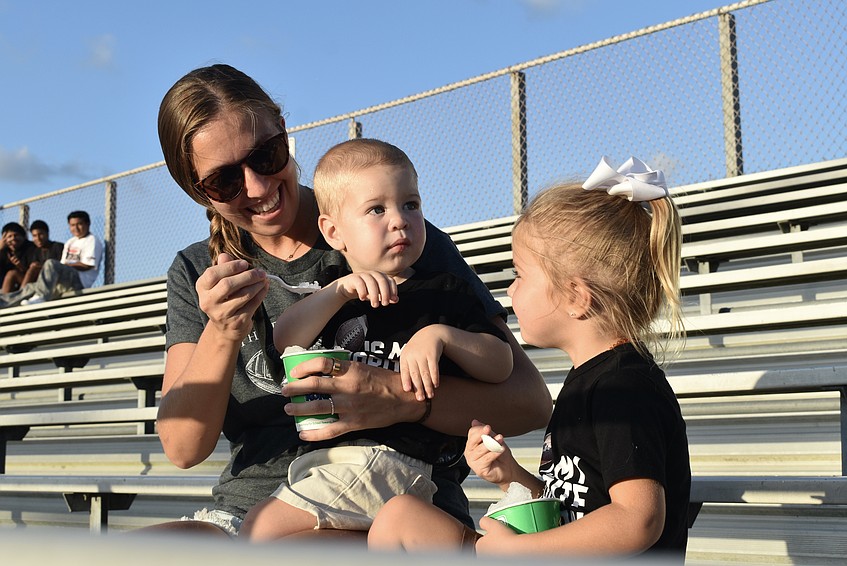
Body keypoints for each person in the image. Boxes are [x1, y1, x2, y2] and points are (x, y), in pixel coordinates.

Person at [148, 64, 551, 539]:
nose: (256, 186)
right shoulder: (197, 271)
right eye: (224, 182)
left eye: (267, 154)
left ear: (284, 130)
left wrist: (397, 399)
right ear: (196, 191)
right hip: (246, 509)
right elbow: (182, 447)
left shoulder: (389, 234)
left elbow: (528, 402)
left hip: (389, 502)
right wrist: (223, 330)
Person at [368, 156, 692, 560]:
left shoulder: (625, 389)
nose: (511, 289)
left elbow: (636, 520)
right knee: (401, 518)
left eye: (520, 274)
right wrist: (511, 476)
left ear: (575, 297)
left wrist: (523, 550)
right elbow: (577, 510)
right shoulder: (588, 378)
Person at [238, 139, 513, 540]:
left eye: (411, 205)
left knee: (259, 531)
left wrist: (443, 337)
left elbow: (501, 363)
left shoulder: (446, 291)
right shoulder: (335, 295)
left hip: (396, 460)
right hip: (333, 463)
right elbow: (283, 340)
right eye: (376, 210)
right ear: (333, 232)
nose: (399, 220)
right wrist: (337, 292)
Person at [0, 211, 103, 307]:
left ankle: (41, 296)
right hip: (63, 282)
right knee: (30, 287)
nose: (75, 228)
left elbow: (87, 265)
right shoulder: (70, 242)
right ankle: (3, 302)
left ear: (88, 224)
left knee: (50, 263)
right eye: (72, 225)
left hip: (80, 281)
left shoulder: (92, 240)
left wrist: (61, 266)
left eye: (79, 224)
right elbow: (62, 265)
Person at [23, 220, 65, 286]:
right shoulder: (35, 251)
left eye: (41, 234)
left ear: (47, 234)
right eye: (34, 236)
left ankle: (22, 293)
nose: (38, 238)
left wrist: (39, 266)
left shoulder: (58, 246)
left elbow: (61, 266)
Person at [0, 222, 37, 293]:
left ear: (23, 237)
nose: (13, 239)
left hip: (29, 284)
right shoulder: (4, 251)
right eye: (9, 236)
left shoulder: (31, 248)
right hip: (6, 286)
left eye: (16, 235)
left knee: (11, 274)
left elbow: (34, 271)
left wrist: (20, 266)